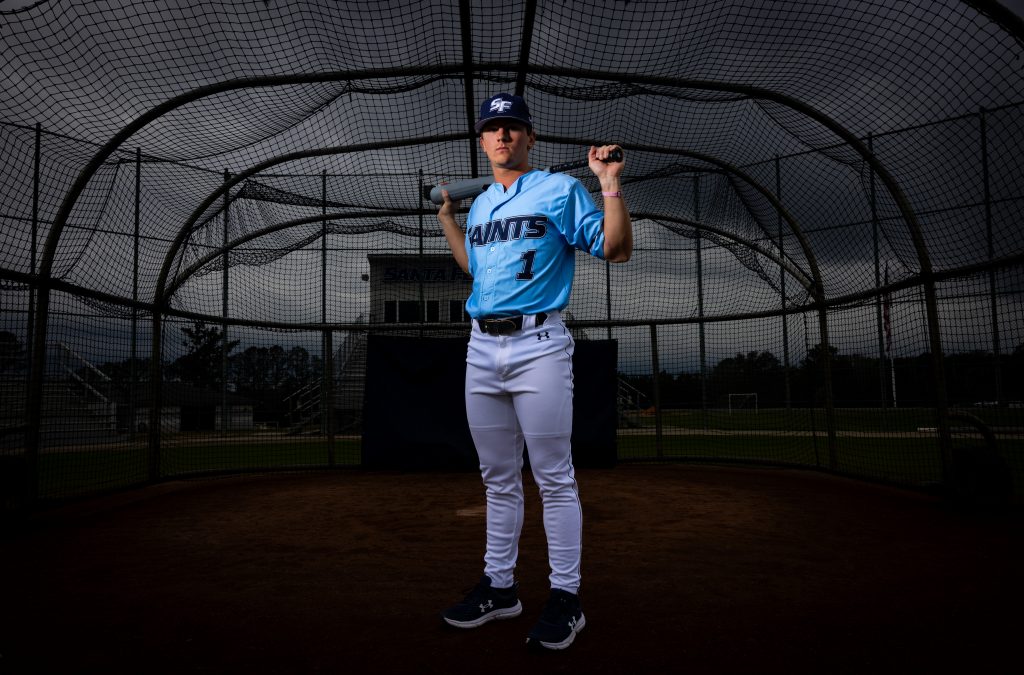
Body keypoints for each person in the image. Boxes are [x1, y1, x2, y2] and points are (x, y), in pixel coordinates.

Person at [435, 92, 632, 651]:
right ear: (482, 141)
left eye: (514, 127)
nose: (504, 136)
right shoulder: (478, 207)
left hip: (539, 344)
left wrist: (608, 183)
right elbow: (475, 268)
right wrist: (449, 217)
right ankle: (500, 589)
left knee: (553, 477)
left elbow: (615, 250)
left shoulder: (559, 189)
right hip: (480, 348)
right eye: (494, 128)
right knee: (497, 478)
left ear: (530, 138)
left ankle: (566, 598)